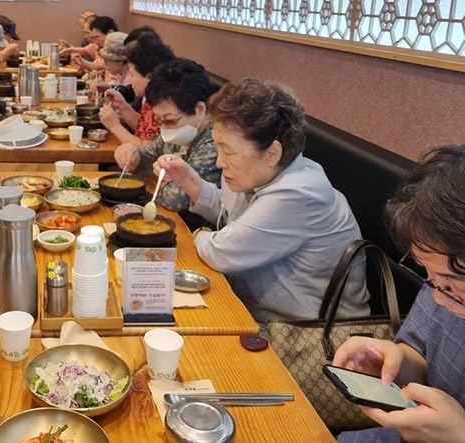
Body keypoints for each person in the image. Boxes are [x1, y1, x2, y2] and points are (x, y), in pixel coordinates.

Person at [155, 78, 370, 325]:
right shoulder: (260, 173)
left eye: (228, 151)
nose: (219, 161)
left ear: (272, 153)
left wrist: (201, 234)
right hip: (260, 314)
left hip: (304, 333)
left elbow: (222, 251)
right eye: (217, 147)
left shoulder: (298, 193)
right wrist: (187, 178)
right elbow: (229, 212)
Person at [334, 144, 465, 443]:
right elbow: (421, 354)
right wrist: (396, 362)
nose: (439, 298)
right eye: (432, 279)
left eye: (453, 286)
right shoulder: (445, 277)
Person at [114, 58, 221, 225]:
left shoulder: (215, 141)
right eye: (159, 120)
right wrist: (133, 157)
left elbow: (175, 199)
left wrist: (158, 179)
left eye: (170, 120)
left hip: (194, 229)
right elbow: (148, 158)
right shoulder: (176, 131)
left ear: (200, 110)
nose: (164, 127)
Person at [100, 33, 175, 147]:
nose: (131, 80)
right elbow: (142, 129)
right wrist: (122, 106)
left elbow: (146, 149)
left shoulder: (162, 104)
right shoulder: (151, 97)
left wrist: (114, 126)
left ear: (149, 76)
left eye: (132, 74)